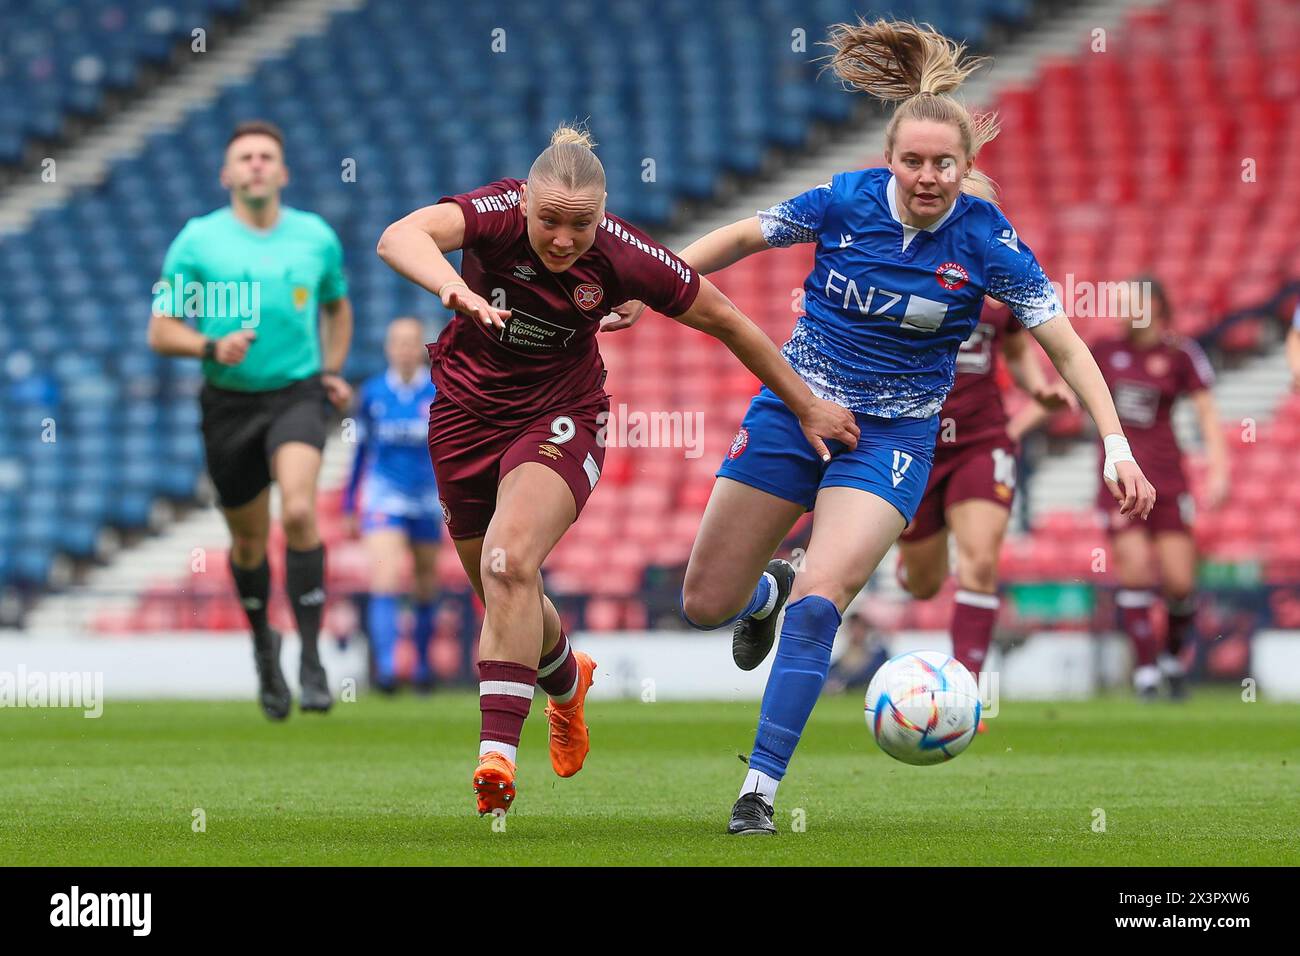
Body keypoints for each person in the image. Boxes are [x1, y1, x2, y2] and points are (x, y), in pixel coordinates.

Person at [617, 19, 1156, 835]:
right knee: (703, 602)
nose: (929, 176)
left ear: (965, 168)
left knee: (820, 607)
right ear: (890, 159)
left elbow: (1067, 345)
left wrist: (1116, 444)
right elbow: (738, 235)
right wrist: (656, 284)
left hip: (895, 441)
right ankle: (767, 589)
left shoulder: (988, 242)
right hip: (793, 412)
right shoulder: (843, 201)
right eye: (914, 161)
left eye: (945, 164)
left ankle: (758, 791)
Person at [376, 123, 858, 816]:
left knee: (509, 565)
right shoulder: (492, 214)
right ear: (525, 209)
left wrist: (807, 405)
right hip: (461, 418)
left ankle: (496, 761)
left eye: (581, 224)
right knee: (502, 590)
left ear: (601, 216)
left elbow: (728, 320)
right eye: (549, 222)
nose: (565, 239)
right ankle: (568, 685)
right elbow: (399, 236)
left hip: (559, 417)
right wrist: (455, 289)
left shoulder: (622, 255)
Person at [148, 119, 353, 720]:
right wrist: (210, 347)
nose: (257, 164)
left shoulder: (315, 237)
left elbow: (338, 307)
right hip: (228, 402)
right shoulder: (197, 241)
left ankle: (311, 656)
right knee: (247, 539)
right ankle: (266, 645)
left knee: (296, 510)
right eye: (246, 157)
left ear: (283, 172)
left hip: (295, 394)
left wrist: (331, 370)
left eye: (267, 156)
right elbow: (160, 329)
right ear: (227, 174)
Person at [896, 291, 1075, 685]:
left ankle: (964, 688)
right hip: (914, 440)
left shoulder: (999, 283)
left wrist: (1037, 388)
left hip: (981, 442)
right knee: (924, 585)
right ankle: (913, 556)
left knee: (979, 563)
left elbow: (1015, 349)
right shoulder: (908, 273)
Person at [1092, 277, 1228, 699]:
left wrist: (1219, 466)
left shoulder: (1180, 354)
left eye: (1128, 303)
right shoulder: (1103, 352)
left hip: (1169, 480)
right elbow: (1072, 389)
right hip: (1118, 482)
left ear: (1153, 306)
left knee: (1180, 583)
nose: (1120, 311)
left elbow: (1207, 412)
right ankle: (1147, 672)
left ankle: (1170, 657)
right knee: (1133, 571)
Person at [343, 317, 442, 694]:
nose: (403, 349)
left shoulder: (436, 391)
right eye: (397, 342)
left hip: (427, 496)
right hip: (383, 494)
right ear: (388, 348)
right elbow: (360, 452)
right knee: (384, 576)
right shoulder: (371, 394)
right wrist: (350, 502)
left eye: (410, 342)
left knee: (425, 582)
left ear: (420, 347)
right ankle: (385, 671)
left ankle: (421, 667)